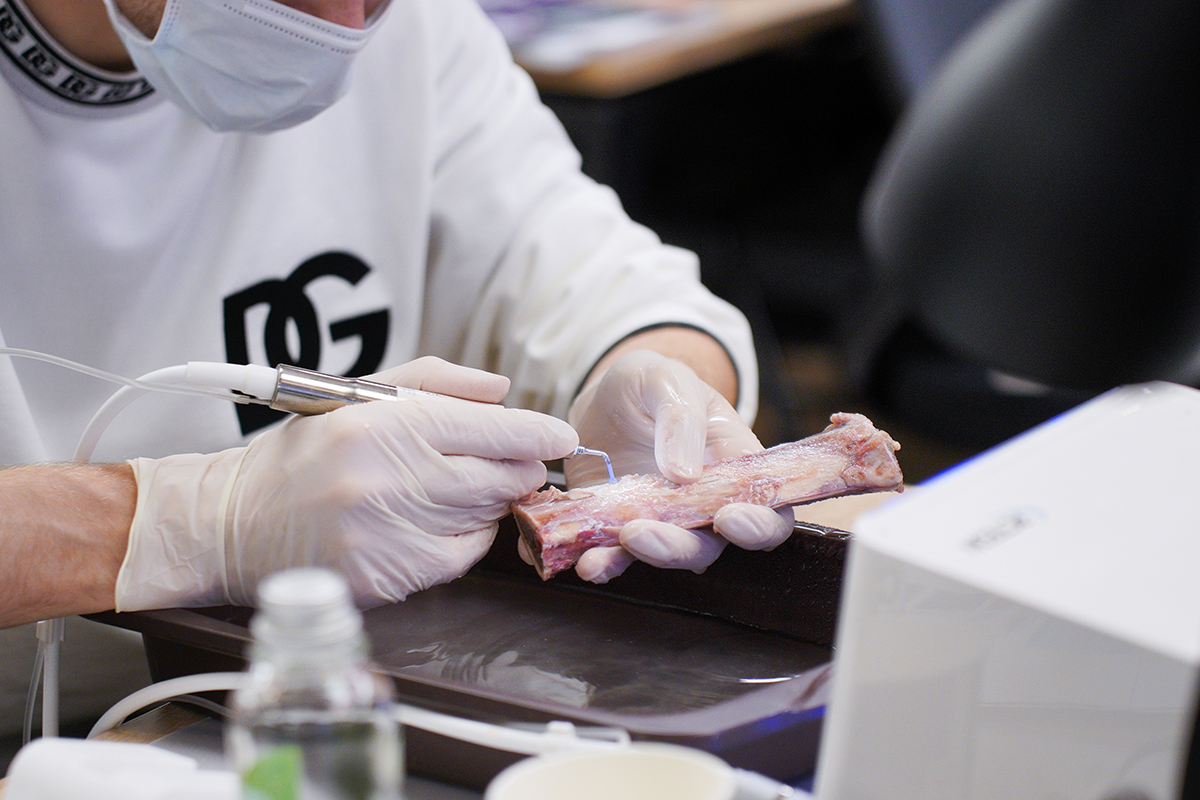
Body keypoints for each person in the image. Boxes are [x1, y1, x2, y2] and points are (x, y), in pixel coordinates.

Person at [0, 0, 796, 702]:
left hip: (308, 701)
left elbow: (592, 273)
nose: (339, 31)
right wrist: (187, 522)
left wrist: (657, 384)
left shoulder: (418, 32)